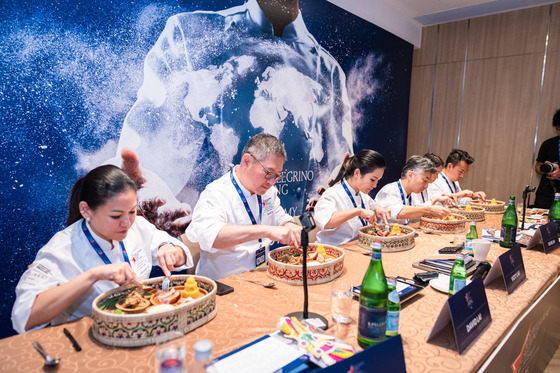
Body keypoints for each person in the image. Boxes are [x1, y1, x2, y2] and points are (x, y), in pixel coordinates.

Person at [113, 0, 353, 234]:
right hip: (203, 242)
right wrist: (135, 191)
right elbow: (143, 146)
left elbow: (333, 172)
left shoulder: (328, 71)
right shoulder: (190, 34)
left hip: (283, 247)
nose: (271, 180)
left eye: (274, 175)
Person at [12, 165, 193, 333]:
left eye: (131, 211)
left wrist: (170, 249)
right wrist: (93, 275)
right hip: (89, 340)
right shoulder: (61, 249)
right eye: (115, 216)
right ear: (85, 210)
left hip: (139, 329)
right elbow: (24, 318)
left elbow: (180, 253)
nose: (127, 223)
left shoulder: (137, 225)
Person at [185, 134, 301, 280]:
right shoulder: (216, 193)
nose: (272, 182)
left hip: (262, 277)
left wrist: (288, 224)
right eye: (268, 173)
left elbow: (278, 214)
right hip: (225, 285)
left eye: (277, 176)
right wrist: (266, 231)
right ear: (247, 161)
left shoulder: (268, 192)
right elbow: (211, 236)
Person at [313, 150, 392, 246]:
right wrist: (358, 211)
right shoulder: (332, 193)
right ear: (357, 173)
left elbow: (373, 206)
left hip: (356, 247)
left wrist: (379, 209)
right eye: (372, 180)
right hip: (333, 250)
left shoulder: (361, 194)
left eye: (378, 181)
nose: (375, 185)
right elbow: (327, 221)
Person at [374, 156, 453, 225]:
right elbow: (399, 212)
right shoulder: (389, 190)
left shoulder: (412, 194)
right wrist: (429, 210)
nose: (426, 186)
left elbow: (417, 209)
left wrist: (434, 202)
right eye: (425, 181)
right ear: (410, 175)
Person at [533, 109, 560, 208]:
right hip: (546, 194)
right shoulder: (548, 144)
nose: (559, 132)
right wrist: (545, 169)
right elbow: (537, 166)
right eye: (558, 129)